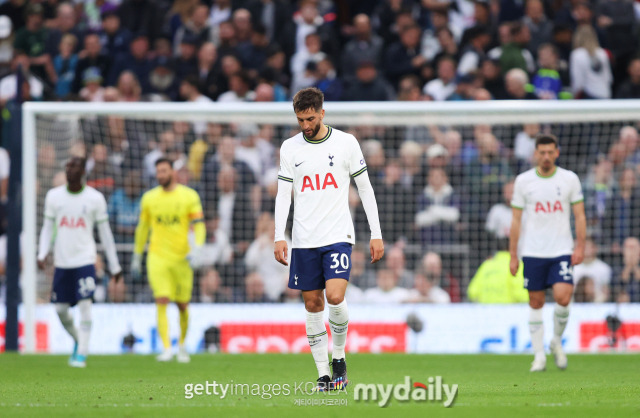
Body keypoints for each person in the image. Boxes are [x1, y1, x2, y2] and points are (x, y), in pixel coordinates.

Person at [273, 88, 383, 391]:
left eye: (310, 118)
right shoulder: (289, 148)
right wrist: (278, 236)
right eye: (300, 120)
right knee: (312, 304)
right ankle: (323, 374)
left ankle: (338, 357)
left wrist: (376, 233)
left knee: (335, 297)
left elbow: (365, 188)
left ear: (322, 113)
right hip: (304, 238)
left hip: (337, 235)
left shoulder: (346, 143)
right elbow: (284, 194)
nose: (306, 125)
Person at [509, 134, 586, 372]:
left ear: (557, 153)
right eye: (541, 152)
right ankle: (539, 355)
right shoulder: (523, 181)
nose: (545, 156)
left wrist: (580, 246)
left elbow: (580, 215)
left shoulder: (569, 179)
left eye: (550, 152)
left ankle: (556, 341)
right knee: (536, 301)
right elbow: (516, 219)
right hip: (532, 251)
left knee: (563, 297)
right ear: (535, 154)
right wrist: (513, 255)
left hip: (561, 249)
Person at [37, 157, 122, 367]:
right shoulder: (54, 197)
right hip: (62, 262)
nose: (70, 170)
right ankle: (77, 339)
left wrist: (115, 265)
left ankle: (81, 354)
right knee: (60, 310)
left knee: (85, 305)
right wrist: (42, 253)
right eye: (67, 166)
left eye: (74, 167)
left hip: (85, 259)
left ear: (84, 171)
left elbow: (105, 233)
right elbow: (47, 227)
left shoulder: (95, 199)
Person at [132, 158, 206, 363]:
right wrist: (137, 254)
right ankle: (166, 348)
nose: (160, 175)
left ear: (173, 172)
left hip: (182, 258)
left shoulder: (189, 196)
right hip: (157, 257)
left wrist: (198, 247)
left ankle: (182, 345)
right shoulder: (149, 198)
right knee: (161, 300)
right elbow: (142, 228)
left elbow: (199, 225)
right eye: (158, 172)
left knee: (182, 305)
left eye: (164, 171)